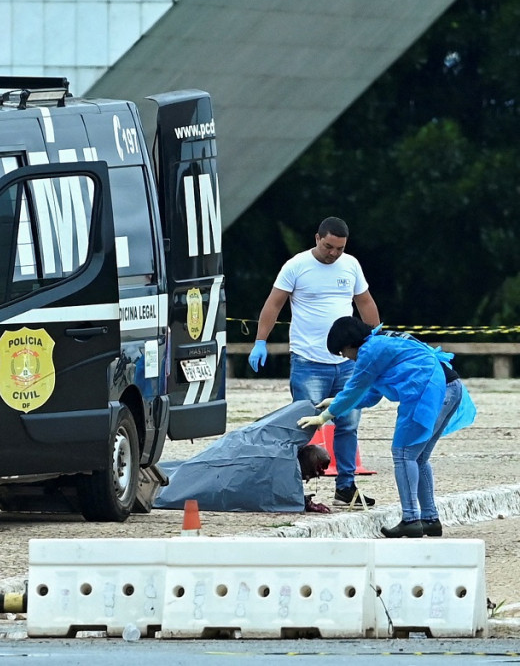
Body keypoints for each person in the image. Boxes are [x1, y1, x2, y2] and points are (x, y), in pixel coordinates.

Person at [248, 216, 382, 508]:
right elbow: (274, 303)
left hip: (347, 363)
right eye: (329, 246)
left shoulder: (351, 265)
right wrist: (261, 340)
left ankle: (345, 486)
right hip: (309, 361)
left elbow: (365, 302)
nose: (334, 253)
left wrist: (376, 339)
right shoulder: (296, 266)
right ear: (317, 238)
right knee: (303, 427)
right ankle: (294, 484)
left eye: (340, 248)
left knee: (348, 423)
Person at [299, 318, 476, 538]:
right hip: (451, 387)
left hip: (429, 390)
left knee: (403, 454)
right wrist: (336, 401)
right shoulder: (382, 342)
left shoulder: (369, 351)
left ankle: (411, 519)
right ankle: (430, 519)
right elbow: (371, 394)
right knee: (418, 457)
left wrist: (326, 416)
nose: (346, 358)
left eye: (343, 352)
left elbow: (355, 388)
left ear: (349, 344)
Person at [156, 400, 334, 513]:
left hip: (236, 445)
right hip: (236, 453)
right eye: (313, 472)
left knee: (188, 472)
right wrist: (300, 502)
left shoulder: (282, 450)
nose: (310, 478)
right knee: (188, 481)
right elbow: (274, 493)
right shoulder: (280, 460)